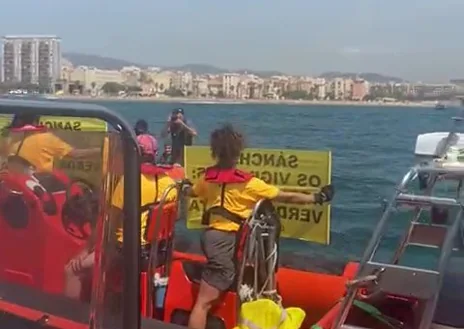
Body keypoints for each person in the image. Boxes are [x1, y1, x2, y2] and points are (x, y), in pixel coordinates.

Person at [183, 124, 335, 329]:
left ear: (215, 152)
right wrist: (317, 197)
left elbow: (192, 192)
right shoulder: (249, 184)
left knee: (210, 297)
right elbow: (286, 196)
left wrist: (183, 186)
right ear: (238, 153)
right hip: (228, 241)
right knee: (203, 302)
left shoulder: (207, 179)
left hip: (211, 237)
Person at [64, 134, 178, 299]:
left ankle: (70, 318)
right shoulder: (169, 182)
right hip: (156, 250)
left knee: (72, 270)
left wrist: (85, 250)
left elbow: (108, 224)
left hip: (126, 250)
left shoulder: (129, 181)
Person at [2, 114, 101, 172]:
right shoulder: (46, 139)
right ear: (36, 123)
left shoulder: (11, 140)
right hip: (38, 184)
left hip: (15, 183)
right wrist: (100, 150)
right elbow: (76, 154)